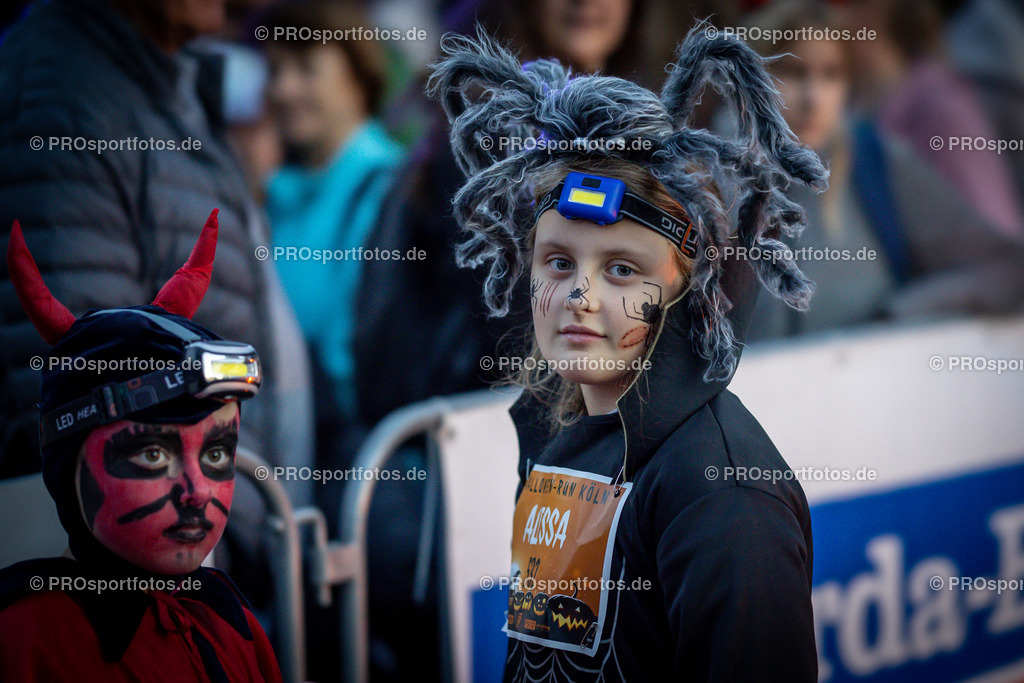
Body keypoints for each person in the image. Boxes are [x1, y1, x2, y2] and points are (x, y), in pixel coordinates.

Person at [428, 23, 825, 681]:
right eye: (559, 261)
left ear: (688, 286)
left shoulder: (723, 494)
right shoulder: (558, 436)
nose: (579, 296)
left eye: (621, 269)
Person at [0, 211, 282, 682]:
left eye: (216, 455)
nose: (197, 492)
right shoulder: (25, 638)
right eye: (153, 455)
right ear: (67, 467)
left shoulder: (231, 619)